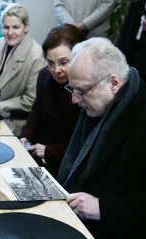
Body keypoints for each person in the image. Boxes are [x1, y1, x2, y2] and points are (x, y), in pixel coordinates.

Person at [57, 37, 146, 239]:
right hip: (81, 226)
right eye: (72, 89)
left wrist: (102, 208)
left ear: (114, 82)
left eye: (82, 91)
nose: (74, 99)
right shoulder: (99, 102)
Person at [19, 24, 85, 178]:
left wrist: (49, 152)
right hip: (39, 158)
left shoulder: (87, 89)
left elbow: (85, 143)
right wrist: (26, 137)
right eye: (51, 63)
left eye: (63, 62)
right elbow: (36, 111)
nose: (56, 70)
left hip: (70, 167)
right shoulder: (44, 76)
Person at [0, 3, 44, 137]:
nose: (10, 33)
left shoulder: (36, 56)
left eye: (16, 27)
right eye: (6, 27)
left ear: (26, 27)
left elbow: (30, 100)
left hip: (14, 123)